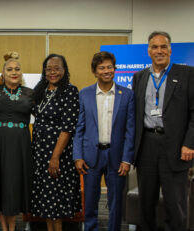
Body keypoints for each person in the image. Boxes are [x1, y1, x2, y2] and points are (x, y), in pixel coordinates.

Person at [132, 31, 194, 231]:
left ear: (170, 49)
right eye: (154, 47)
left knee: (174, 203)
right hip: (147, 145)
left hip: (176, 146)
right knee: (146, 202)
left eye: (163, 46)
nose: (159, 51)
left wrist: (189, 143)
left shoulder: (187, 74)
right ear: (148, 50)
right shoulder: (139, 77)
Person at [73, 51, 135, 231]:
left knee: (115, 201)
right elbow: (79, 128)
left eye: (109, 67)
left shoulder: (127, 95)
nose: (106, 71)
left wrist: (126, 159)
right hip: (90, 156)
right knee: (90, 200)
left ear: (114, 69)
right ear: (95, 71)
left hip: (116, 157)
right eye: (102, 68)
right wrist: (77, 156)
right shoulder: (84, 94)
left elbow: (130, 130)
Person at [30, 54, 81, 231]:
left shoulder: (70, 91)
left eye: (57, 68)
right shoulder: (40, 90)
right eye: (49, 68)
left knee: (55, 207)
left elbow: (67, 128)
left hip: (58, 154)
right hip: (39, 153)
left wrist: (55, 157)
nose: (53, 72)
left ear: (64, 70)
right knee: (46, 205)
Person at [0, 52, 33, 231]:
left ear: (21, 73)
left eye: (17, 69)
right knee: (0, 183)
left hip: (20, 144)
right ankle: (4, 227)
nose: (14, 72)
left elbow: (44, 118)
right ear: (3, 73)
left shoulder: (30, 93)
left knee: (13, 184)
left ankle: (11, 227)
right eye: (10, 69)